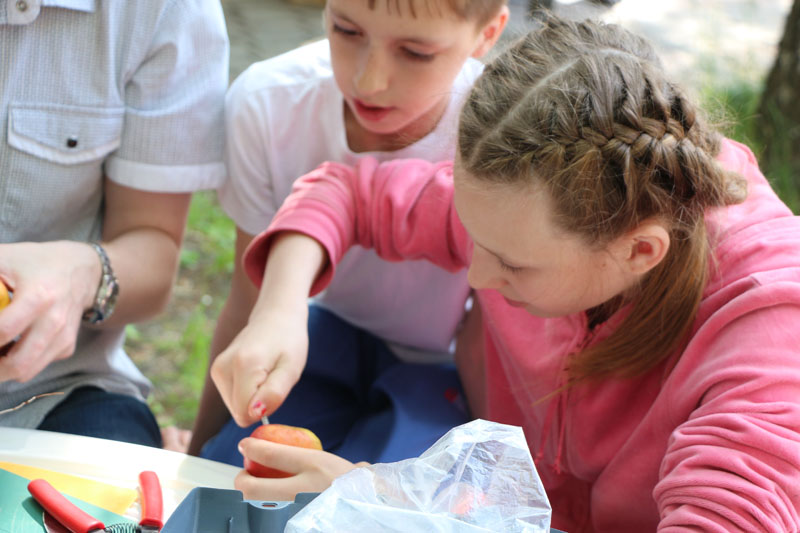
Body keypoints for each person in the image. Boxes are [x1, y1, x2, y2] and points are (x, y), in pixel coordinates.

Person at [229, 14, 800, 531]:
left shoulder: (769, 331)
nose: (476, 279)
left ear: (638, 253)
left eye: (512, 263)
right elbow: (345, 193)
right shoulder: (550, 187)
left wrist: (392, 508)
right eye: (474, 240)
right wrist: (279, 308)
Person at [189, 0, 510, 462]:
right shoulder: (268, 102)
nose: (368, 81)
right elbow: (250, 303)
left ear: (487, 33)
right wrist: (200, 453)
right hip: (316, 342)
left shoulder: (503, 135)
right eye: (346, 30)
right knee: (240, 473)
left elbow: (497, 334)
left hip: (442, 370)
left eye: (416, 53)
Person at [0, 0, 229, 448]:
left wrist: (82, 273)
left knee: (118, 511)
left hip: (51, 391)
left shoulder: (164, 11)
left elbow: (153, 251)